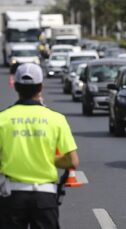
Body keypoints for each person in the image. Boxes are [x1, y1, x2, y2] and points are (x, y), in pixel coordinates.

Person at [0, 63, 79, 229]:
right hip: (45, 196)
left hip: (12, 196)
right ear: (41, 87)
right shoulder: (56, 119)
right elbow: (72, 161)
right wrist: (50, 159)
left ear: (15, 86)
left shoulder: (3, 119)